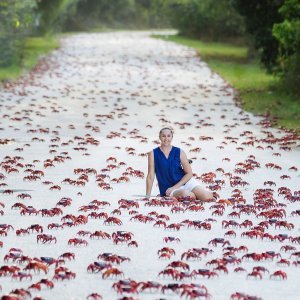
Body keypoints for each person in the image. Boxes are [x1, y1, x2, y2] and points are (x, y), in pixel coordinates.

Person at [146, 127, 215, 201]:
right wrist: (147, 196)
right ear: (160, 137)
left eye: (168, 136)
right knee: (188, 196)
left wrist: (175, 186)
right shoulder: (153, 154)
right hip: (169, 189)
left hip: (186, 182)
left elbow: (189, 173)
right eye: (163, 136)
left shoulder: (180, 152)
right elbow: (150, 176)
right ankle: (195, 194)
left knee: (207, 197)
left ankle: (200, 193)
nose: (166, 138)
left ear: (172, 137)